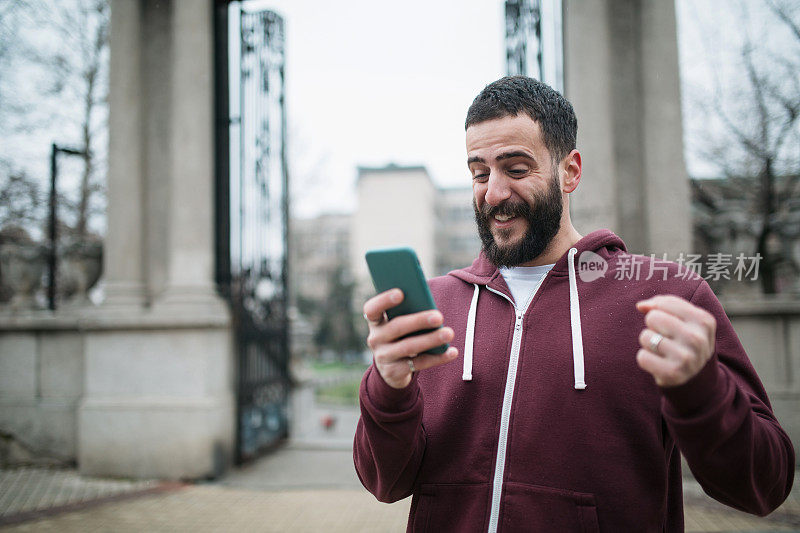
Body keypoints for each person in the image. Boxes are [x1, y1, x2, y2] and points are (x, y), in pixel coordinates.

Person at [353, 76, 795, 532]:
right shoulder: (436, 309)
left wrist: (705, 393)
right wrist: (387, 388)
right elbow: (386, 483)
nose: (494, 193)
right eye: (480, 173)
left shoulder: (666, 295)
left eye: (517, 169)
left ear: (570, 171)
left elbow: (765, 484)